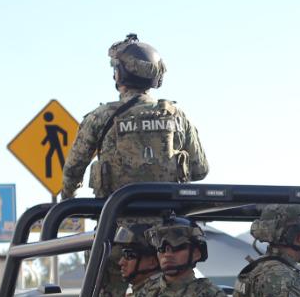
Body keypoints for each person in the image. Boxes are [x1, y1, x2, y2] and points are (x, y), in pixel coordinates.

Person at [60, 34, 208, 200]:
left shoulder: (100, 117)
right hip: (169, 219)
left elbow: (72, 172)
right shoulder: (177, 116)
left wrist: (66, 205)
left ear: (119, 74)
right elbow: (200, 170)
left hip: (116, 220)